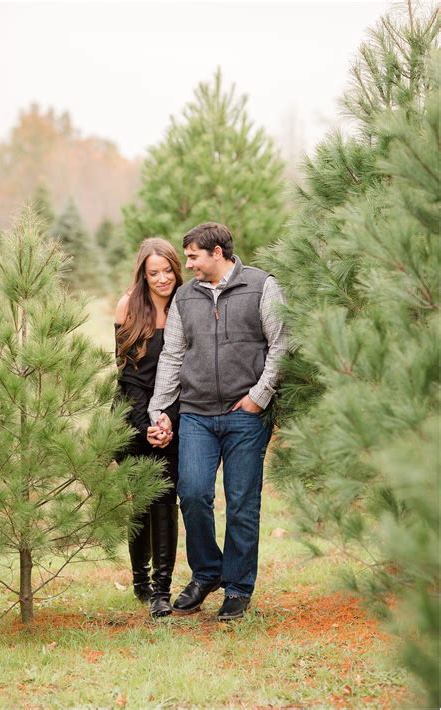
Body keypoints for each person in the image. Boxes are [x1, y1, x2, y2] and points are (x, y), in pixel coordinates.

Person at [147, 222, 287, 621]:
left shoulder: (262, 286)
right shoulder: (185, 298)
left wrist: (258, 398)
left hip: (245, 416)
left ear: (217, 253)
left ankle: (238, 588)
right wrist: (160, 410)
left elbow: (280, 344)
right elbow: (173, 356)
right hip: (196, 414)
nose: (185, 263)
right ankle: (207, 572)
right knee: (192, 493)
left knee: (242, 503)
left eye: (192, 256)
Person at [114, 237, 182, 618]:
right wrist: (145, 428)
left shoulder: (186, 306)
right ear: (143, 273)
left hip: (174, 416)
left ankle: (161, 589)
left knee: (165, 501)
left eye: (167, 271)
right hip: (132, 414)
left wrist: (168, 419)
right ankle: (140, 580)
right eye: (153, 272)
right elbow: (128, 377)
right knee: (139, 502)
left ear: (176, 269)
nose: (162, 279)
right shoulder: (129, 306)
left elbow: (189, 373)